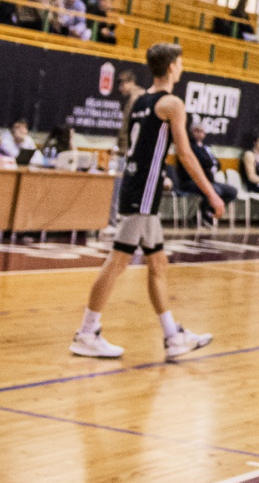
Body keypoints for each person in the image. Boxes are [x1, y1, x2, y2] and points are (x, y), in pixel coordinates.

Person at [70, 43, 221, 361]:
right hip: (143, 193)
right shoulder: (172, 104)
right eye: (180, 63)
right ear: (172, 67)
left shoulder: (140, 101)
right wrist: (211, 193)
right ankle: (86, 333)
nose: (182, 68)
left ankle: (173, 336)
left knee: (157, 263)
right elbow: (185, 153)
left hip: (136, 186)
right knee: (117, 262)